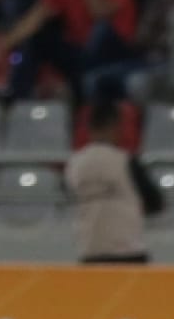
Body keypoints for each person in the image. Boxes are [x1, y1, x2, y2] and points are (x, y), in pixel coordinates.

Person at [0, 0, 139, 102]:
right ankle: (16, 98)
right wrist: (5, 44)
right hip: (79, 53)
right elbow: (33, 20)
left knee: (101, 29)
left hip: (115, 52)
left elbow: (100, 13)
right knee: (37, 39)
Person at [63, 100, 164, 263]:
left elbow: (69, 197)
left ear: (89, 128)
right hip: (128, 253)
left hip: (90, 252)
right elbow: (156, 203)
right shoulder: (126, 161)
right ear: (115, 126)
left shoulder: (74, 164)